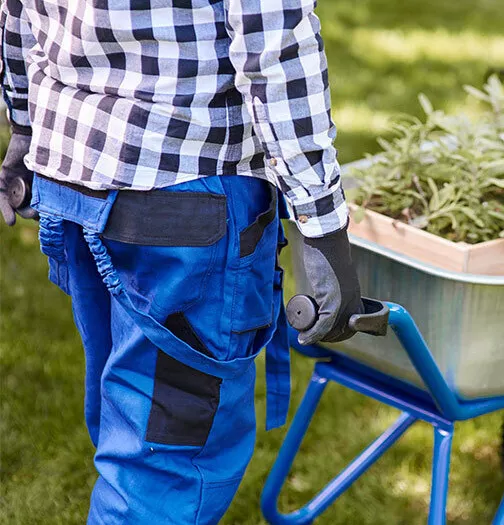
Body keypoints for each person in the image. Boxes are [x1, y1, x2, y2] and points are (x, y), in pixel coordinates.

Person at [0, 0, 363, 522]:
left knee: (136, 428)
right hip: (184, 195)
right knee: (165, 467)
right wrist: (323, 224)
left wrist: (23, 123)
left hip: (73, 171)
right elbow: (275, 45)